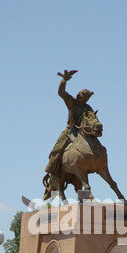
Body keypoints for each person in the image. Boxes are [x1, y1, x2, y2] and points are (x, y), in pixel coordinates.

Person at [43, 69, 94, 199]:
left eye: (85, 95)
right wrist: (64, 80)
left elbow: (92, 121)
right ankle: (52, 168)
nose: (81, 96)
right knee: (57, 151)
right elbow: (61, 92)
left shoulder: (88, 108)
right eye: (81, 94)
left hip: (84, 133)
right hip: (70, 131)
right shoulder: (72, 102)